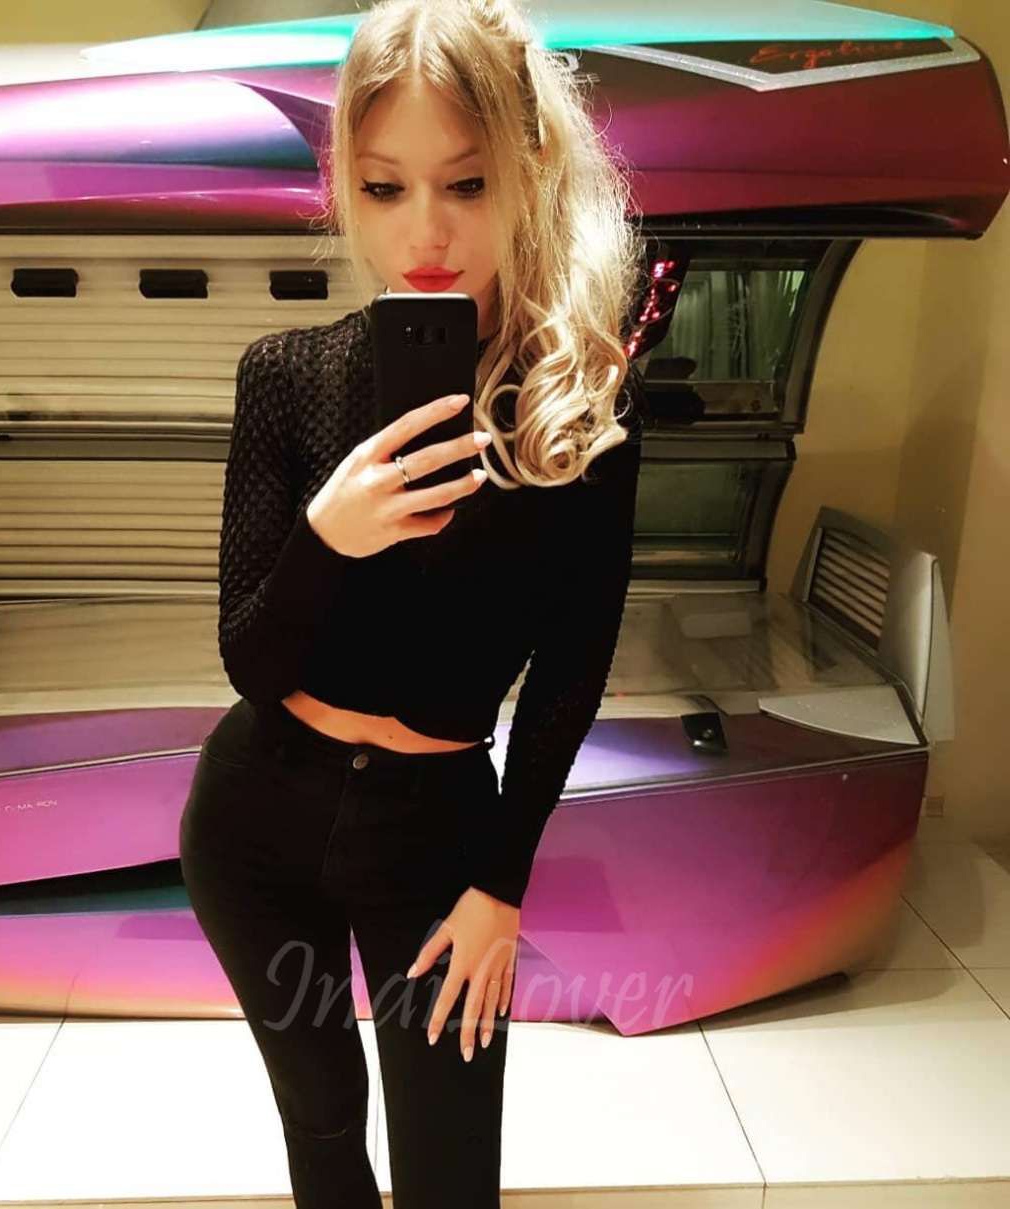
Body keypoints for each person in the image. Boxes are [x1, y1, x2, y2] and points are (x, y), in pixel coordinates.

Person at [178, 0, 647, 1205]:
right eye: (385, 187)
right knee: (324, 1134)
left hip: (436, 837)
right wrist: (326, 538)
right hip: (254, 818)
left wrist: (502, 885)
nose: (425, 230)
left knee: (449, 1175)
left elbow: (571, 670)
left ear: (526, 168)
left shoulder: (576, 413)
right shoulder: (285, 377)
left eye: (466, 182)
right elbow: (250, 663)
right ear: (345, 181)